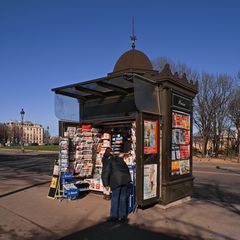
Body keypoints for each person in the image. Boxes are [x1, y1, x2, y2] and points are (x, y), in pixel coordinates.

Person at [101, 152, 131, 223]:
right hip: (125, 180)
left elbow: (106, 172)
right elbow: (127, 170)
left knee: (115, 198)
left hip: (117, 181)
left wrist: (106, 184)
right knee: (122, 198)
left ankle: (114, 216)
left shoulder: (109, 161)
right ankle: (123, 216)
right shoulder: (121, 160)